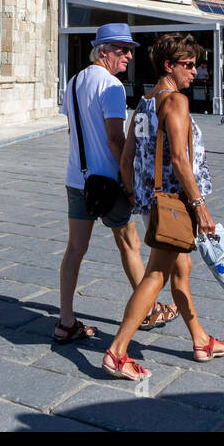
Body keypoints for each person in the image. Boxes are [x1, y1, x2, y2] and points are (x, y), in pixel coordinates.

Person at [103, 34, 224, 380]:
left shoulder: (144, 101)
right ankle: (117, 352)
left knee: (181, 271)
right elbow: (179, 158)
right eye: (188, 65)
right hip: (176, 205)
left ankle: (201, 340)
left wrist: (136, 197)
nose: (195, 72)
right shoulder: (175, 102)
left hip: (155, 205)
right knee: (157, 275)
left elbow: (127, 158)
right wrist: (199, 207)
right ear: (168, 66)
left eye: (196, 65)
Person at [58, 24, 171, 344]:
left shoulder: (74, 81)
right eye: (122, 49)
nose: (129, 55)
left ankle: (65, 320)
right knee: (130, 244)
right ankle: (147, 308)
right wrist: (130, 181)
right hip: (107, 181)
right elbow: (114, 137)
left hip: (77, 178)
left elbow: (72, 131)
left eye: (130, 50)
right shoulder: (111, 87)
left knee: (75, 250)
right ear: (102, 51)